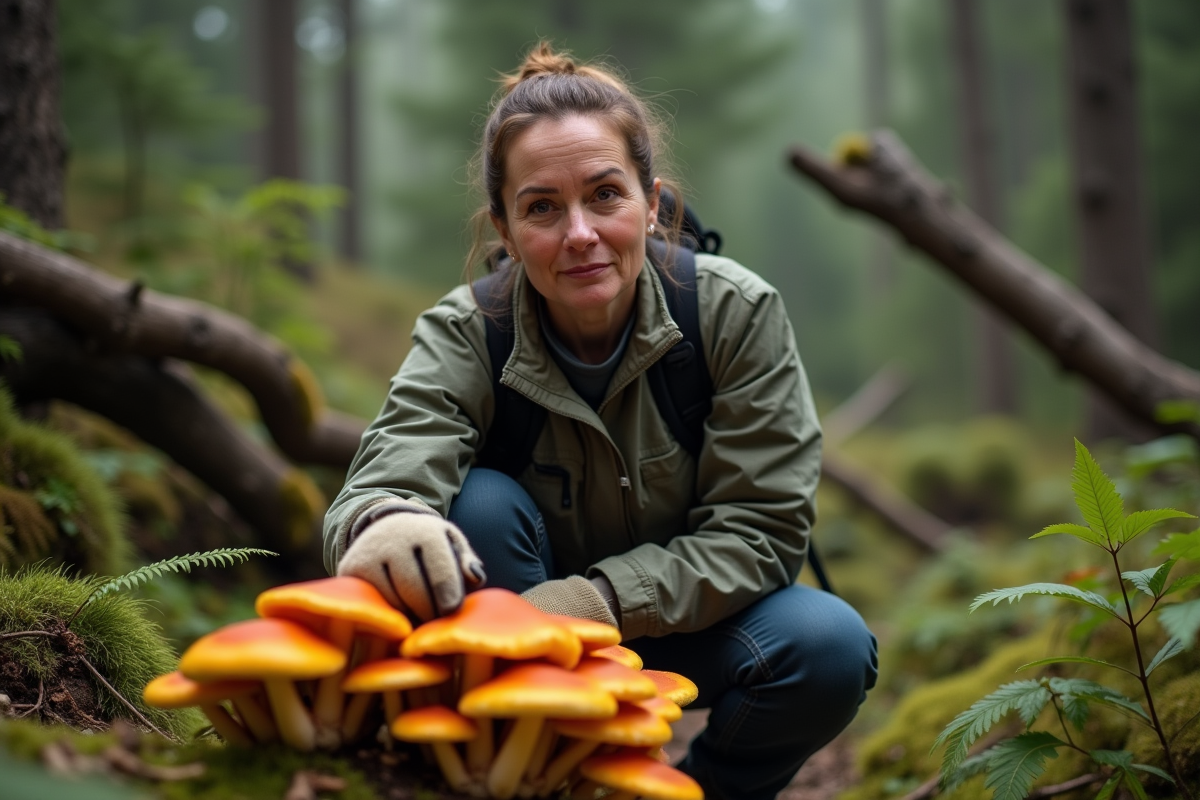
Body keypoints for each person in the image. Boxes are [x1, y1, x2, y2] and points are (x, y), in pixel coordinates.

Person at [324, 42, 877, 800]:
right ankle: (523, 776)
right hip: (514, 640)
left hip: (693, 629)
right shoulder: (467, 331)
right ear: (506, 229)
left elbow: (760, 531)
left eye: (605, 195)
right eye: (542, 207)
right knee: (479, 504)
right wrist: (380, 521)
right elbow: (390, 468)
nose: (579, 233)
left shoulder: (733, 314)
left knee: (829, 646)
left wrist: (596, 603)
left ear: (654, 204)